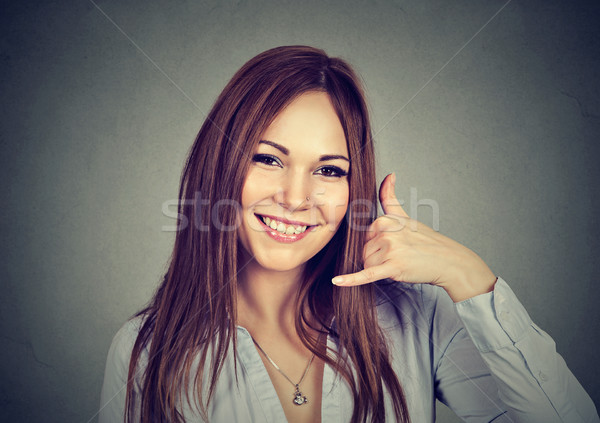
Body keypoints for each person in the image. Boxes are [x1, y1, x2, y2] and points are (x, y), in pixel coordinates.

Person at [99, 45, 599, 423]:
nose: (296, 198)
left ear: (353, 186)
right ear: (221, 165)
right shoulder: (146, 350)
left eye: (330, 170)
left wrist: (467, 274)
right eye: (268, 158)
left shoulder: (415, 316)